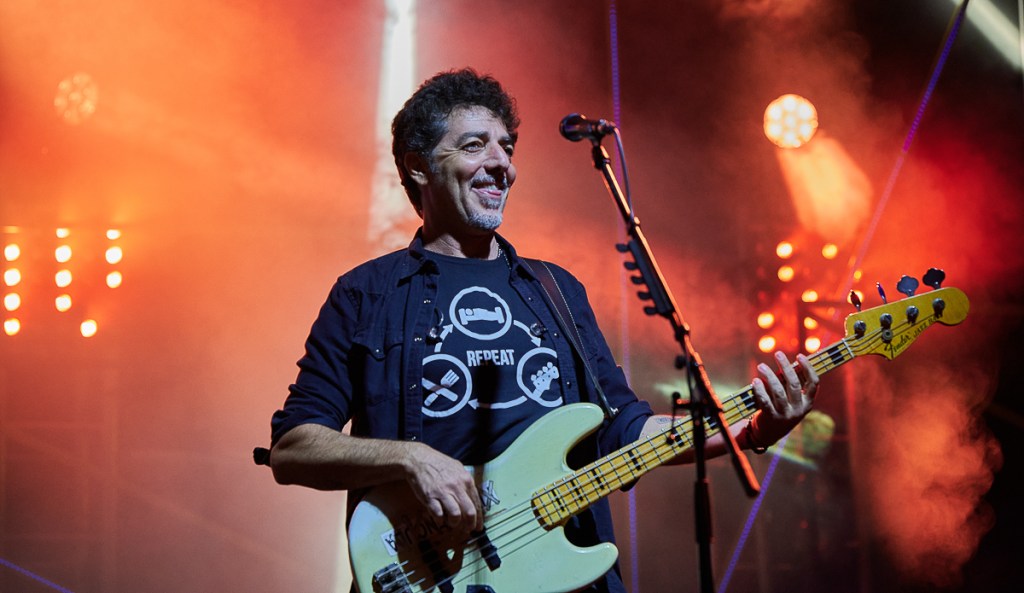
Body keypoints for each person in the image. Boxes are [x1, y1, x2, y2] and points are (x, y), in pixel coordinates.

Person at [268, 68, 818, 593]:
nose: (501, 164)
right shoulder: (367, 293)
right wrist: (410, 459)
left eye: (507, 147)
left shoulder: (556, 290)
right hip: (431, 573)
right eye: (475, 145)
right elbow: (293, 448)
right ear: (418, 167)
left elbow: (624, 430)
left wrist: (753, 431)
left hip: (566, 578)